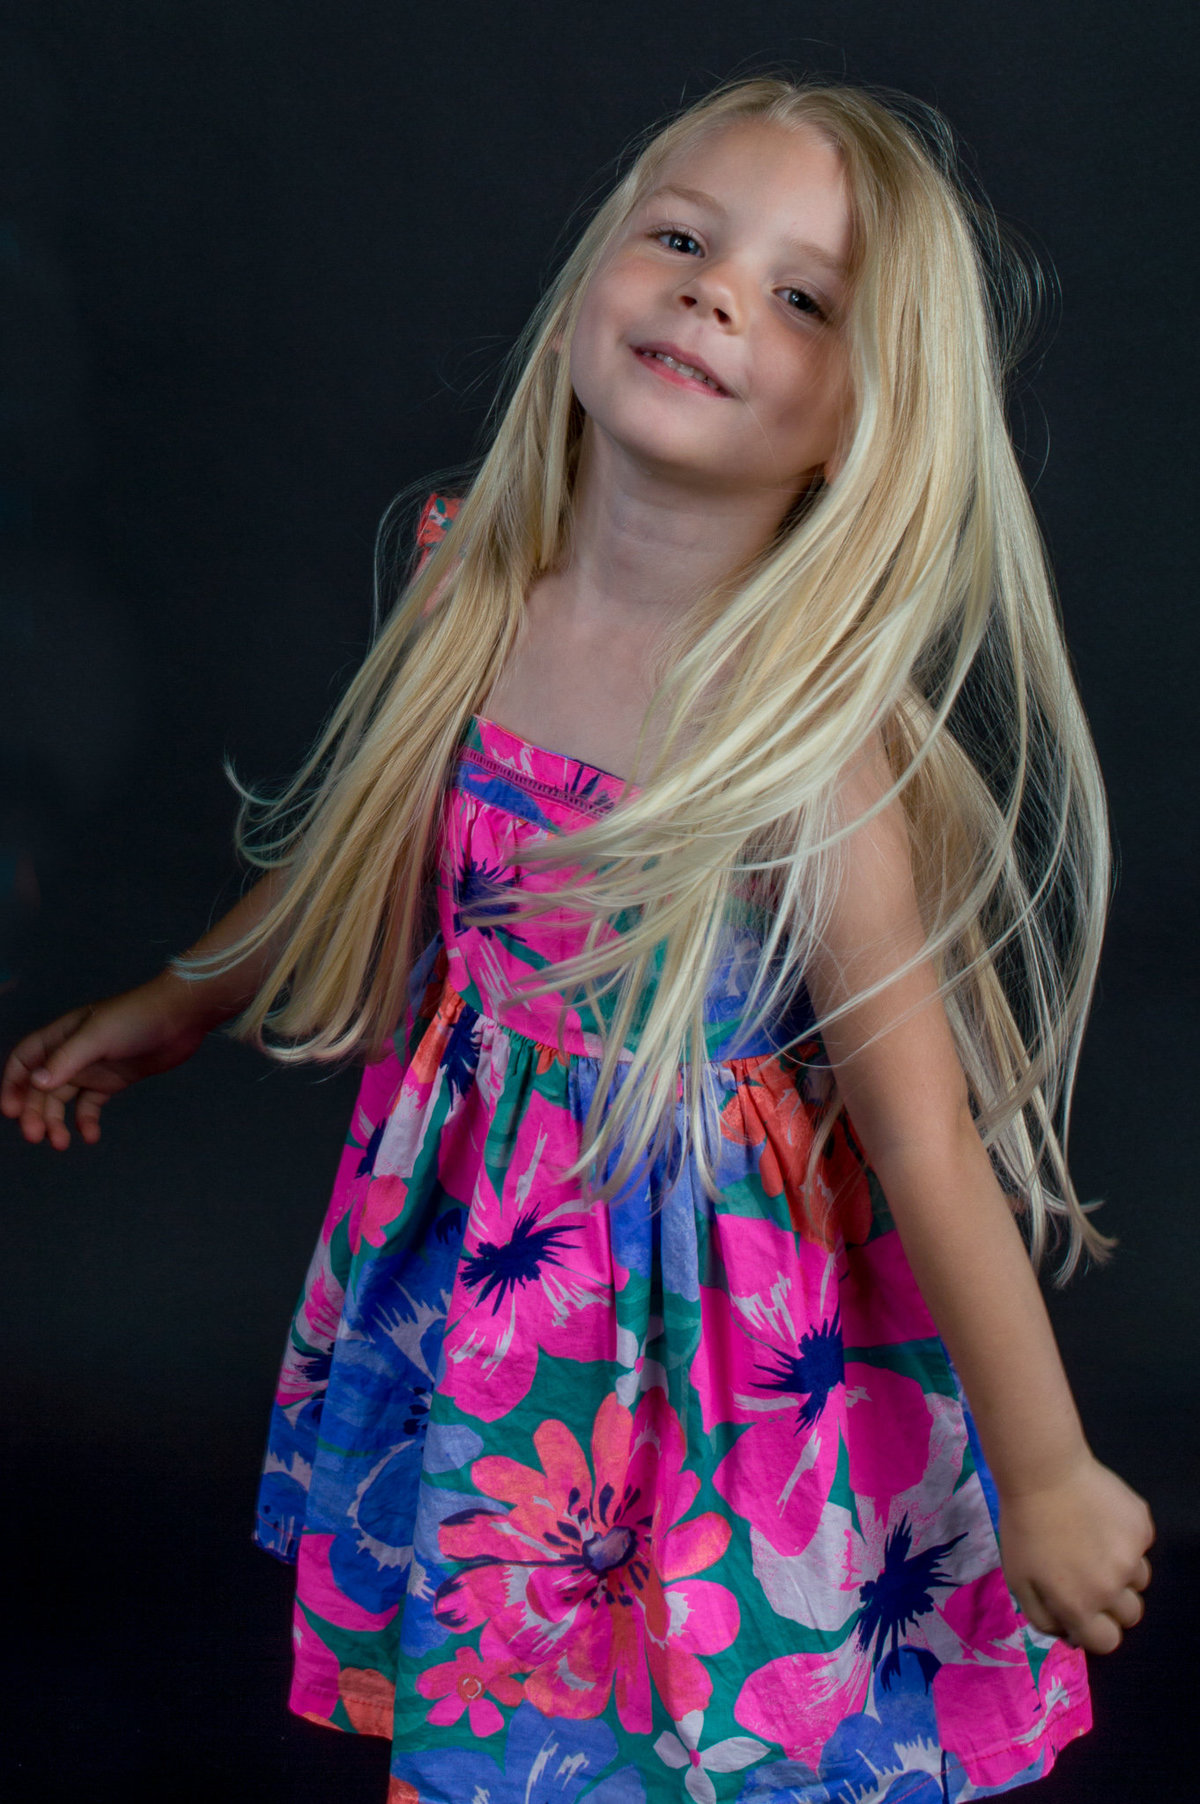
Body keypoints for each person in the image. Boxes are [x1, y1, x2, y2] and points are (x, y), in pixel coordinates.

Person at [3, 77, 1154, 1803]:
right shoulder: (476, 574)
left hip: (708, 1326)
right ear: (597, 278)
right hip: (495, 1278)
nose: (712, 295)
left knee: (700, 1692)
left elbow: (922, 1136)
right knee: (516, 1673)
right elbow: (371, 841)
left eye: (800, 297)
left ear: (863, 419)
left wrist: (1050, 1468)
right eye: (684, 240)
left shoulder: (806, 745)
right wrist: (185, 999)